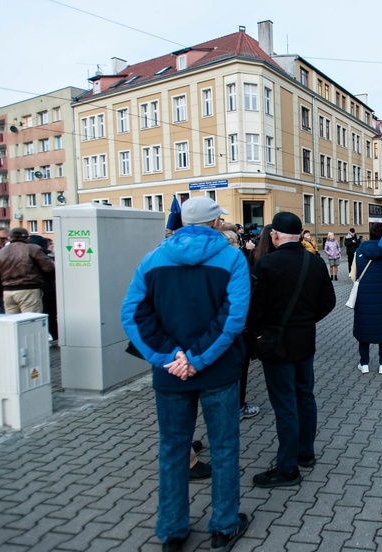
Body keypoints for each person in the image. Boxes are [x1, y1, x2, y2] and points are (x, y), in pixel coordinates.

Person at [121, 196, 251, 552]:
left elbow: (133, 314)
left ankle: (173, 530)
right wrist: (196, 358)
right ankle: (224, 526)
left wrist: (169, 356)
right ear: (214, 223)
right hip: (218, 371)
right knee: (224, 449)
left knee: (173, 450)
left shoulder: (153, 258)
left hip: (170, 375)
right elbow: (232, 319)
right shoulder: (232, 258)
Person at [249, 212, 336, 488]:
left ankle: (287, 469)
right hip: (304, 342)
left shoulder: (267, 265)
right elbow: (328, 302)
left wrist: (259, 333)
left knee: (285, 404)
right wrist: (306, 322)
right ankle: (306, 453)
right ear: (300, 235)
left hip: (275, 345)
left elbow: (254, 309)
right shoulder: (315, 262)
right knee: (305, 396)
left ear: (275, 235)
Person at [220, 230, 260, 420]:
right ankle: (238, 406)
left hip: (220, 330)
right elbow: (246, 297)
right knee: (239, 368)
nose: (239, 244)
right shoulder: (238, 262)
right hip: (237, 330)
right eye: (236, 241)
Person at [350, 223, 382, 375]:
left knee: (364, 328)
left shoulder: (359, 251)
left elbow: (353, 276)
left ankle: (364, 363)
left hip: (364, 296)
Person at [0, 227, 54, 314]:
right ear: (27, 238)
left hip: (7, 292)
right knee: (30, 320)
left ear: (10, 238)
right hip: (29, 289)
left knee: (12, 322)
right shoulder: (33, 248)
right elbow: (48, 268)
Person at [28, 235, 59, 342]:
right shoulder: (40, 257)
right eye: (48, 244)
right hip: (45, 290)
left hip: (44, 289)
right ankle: (52, 337)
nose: (51, 246)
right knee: (45, 315)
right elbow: (49, 270)